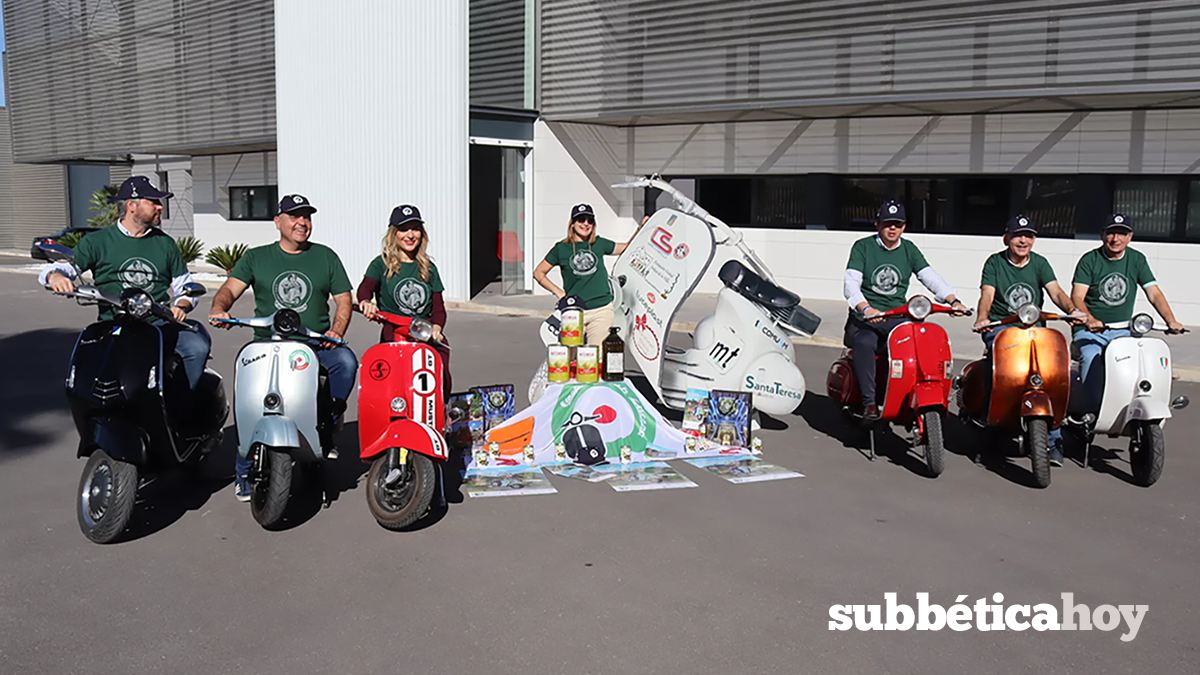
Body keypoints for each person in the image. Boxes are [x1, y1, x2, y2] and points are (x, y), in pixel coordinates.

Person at [208, 194, 357, 502]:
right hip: (268, 344)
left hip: (314, 343)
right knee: (250, 401)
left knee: (345, 360)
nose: (302, 222)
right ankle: (243, 466)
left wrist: (335, 330)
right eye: (294, 216)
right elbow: (229, 289)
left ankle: (326, 423)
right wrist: (220, 308)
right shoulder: (257, 257)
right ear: (278, 222)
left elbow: (344, 299)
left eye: (307, 217)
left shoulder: (325, 256)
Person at [40, 175, 212, 391]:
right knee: (88, 372)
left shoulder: (165, 243)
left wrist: (181, 306)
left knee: (197, 346)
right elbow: (60, 268)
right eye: (154, 202)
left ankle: (181, 407)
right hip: (112, 324)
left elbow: (185, 285)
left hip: (157, 324)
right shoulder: (97, 242)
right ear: (132, 205)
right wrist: (55, 276)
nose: (160, 207)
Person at [842, 200, 969, 420]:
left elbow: (930, 276)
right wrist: (866, 308)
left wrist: (952, 300)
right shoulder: (863, 247)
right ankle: (869, 404)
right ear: (877, 224)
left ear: (904, 227)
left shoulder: (909, 249)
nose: (892, 228)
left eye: (898, 224)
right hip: (866, 320)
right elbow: (850, 284)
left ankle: (913, 394)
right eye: (888, 223)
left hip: (897, 318)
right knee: (865, 342)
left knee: (922, 341)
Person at [973, 215, 1079, 465]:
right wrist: (982, 318)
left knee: (1052, 378)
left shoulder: (1040, 263)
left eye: (1029, 236)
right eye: (1018, 235)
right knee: (998, 377)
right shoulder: (995, 263)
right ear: (1006, 238)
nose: (1023, 240)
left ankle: (1054, 440)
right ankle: (990, 430)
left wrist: (1072, 311)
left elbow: (1056, 292)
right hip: (1004, 329)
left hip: (1035, 331)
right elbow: (987, 295)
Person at [1071, 213, 1185, 415]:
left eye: (1122, 234)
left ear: (1130, 236)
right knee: (1091, 357)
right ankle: (1089, 413)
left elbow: (1154, 293)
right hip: (1091, 331)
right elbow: (1077, 297)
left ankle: (1131, 407)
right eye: (1111, 233)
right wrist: (1089, 320)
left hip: (1122, 330)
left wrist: (1171, 320)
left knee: (1141, 360)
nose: (1116, 239)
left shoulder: (1137, 259)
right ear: (1103, 235)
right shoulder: (1090, 260)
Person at [356, 204, 453, 395]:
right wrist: (366, 302)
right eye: (403, 229)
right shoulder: (380, 264)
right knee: (393, 383)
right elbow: (365, 287)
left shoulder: (428, 267)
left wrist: (437, 328)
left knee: (441, 368)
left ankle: (442, 411)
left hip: (424, 333)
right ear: (394, 234)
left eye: (415, 229)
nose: (410, 235)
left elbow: (439, 308)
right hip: (395, 333)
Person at [533, 204, 638, 345]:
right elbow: (539, 273)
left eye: (590, 220)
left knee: (596, 357)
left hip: (601, 309)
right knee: (569, 356)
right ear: (572, 224)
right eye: (581, 219)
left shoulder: (599, 243)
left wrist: (640, 229)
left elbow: (626, 248)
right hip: (574, 311)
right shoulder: (561, 248)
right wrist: (559, 292)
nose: (586, 224)